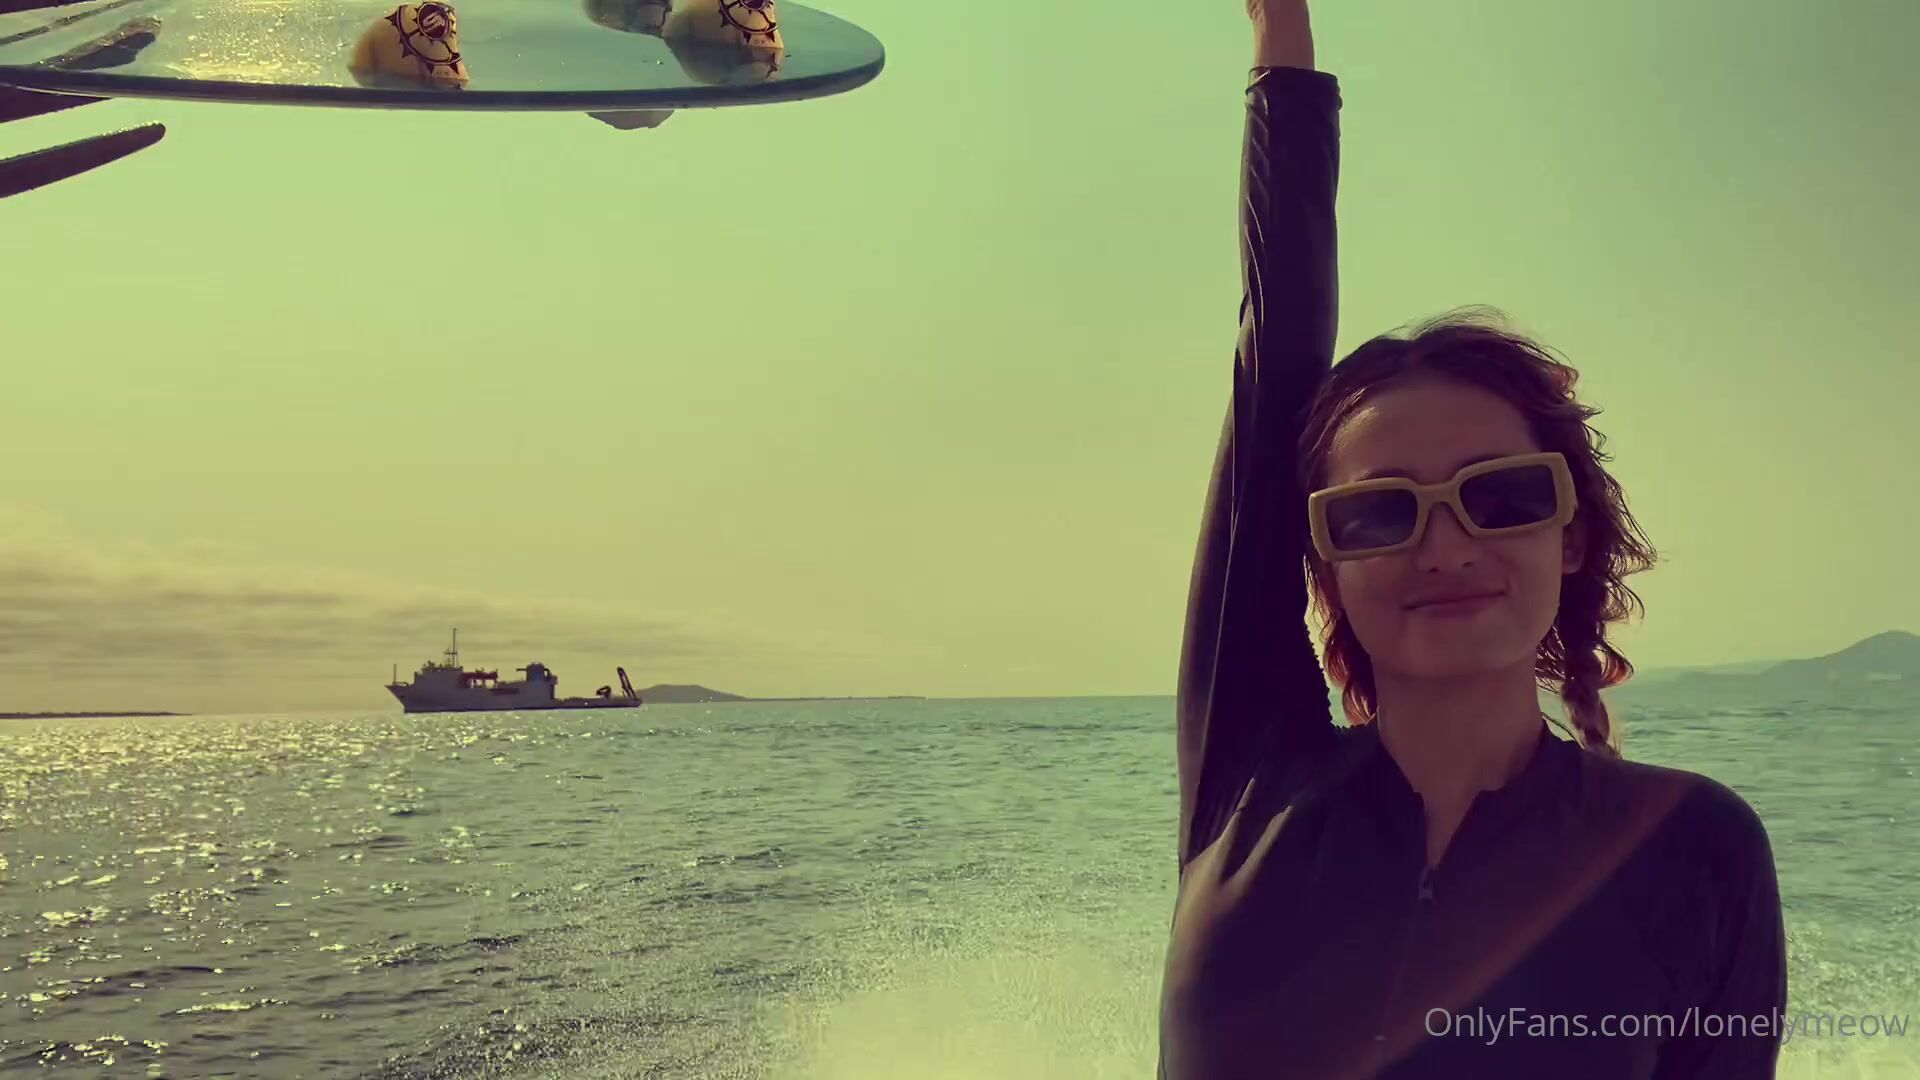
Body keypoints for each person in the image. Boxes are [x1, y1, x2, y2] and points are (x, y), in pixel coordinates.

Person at [1158, 2, 1788, 1078]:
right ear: (1324, 567)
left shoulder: (1692, 848)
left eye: (1499, 497)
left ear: (1570, 534)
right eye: (1379, 511)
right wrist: (1282, 43)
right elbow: (1276, 354)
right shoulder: (1250, 786)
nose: (1444, 546)